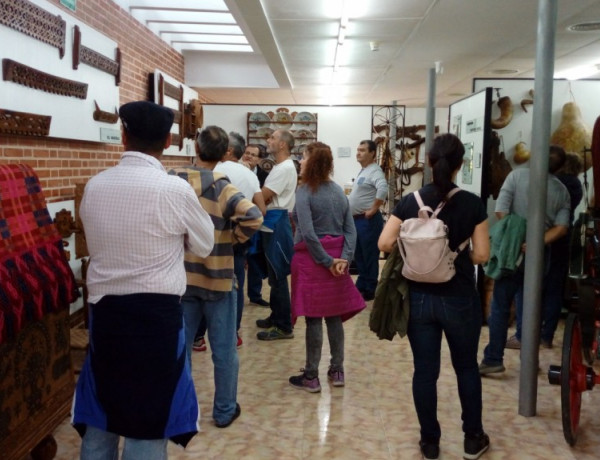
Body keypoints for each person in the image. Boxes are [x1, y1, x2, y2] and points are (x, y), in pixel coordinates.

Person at [73, 101, 215, 459]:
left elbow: (94, 238)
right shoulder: (173, 190)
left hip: (106, 314)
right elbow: (205, 243)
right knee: (150, 415)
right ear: (168, 140)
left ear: (123, 136)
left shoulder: (96, 186)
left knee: (102, 409)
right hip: (157, 317)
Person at [378, 133, 490, 460]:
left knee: (425, 371)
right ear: (460, 164)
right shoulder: (472, 203)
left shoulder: (410, 201)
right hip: (459, 298)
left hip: (419, 299)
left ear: (428, 161)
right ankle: (472, 438)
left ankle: (430, 442)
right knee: (466, 367)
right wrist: (458, 254)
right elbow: (482, 255)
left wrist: (414, 252)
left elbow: (384, 243)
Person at [170, 125, 263, 429]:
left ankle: (180, 410)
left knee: (180, 350)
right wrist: (231, 239)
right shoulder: (223, 187)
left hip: (181, 279)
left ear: (196, 149)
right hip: (219, 279)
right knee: (223, 352)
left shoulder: (173, 180)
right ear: (224, 154)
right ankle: (223, 411)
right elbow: (253, 216)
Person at [480, 145, 570, 372]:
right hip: (540, 253)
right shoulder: (562, 190)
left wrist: (517, 238)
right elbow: (560, 228)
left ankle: (493, 359)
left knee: (500, 305)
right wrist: (536, 242)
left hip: (512, 251)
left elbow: (501, 211)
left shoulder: (516, 176)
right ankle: (530, 361)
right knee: (531, 305)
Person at [288, 142, 365, 392]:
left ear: (312, 161)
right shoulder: (338, 192)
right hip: (337, 262)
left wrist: (327, 261)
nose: (300, 160)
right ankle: (337, 369)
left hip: (313, 261)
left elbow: (308, 234)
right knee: (334, 316)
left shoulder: (304, 192)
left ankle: (311, 376)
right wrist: (343, 260)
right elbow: (350, 229)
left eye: (303, 156)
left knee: (313, 318)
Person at [215, 131, 266, 348]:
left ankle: (199, 336)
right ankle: (233, 332)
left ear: (227, 150)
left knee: (206, 284)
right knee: (236, 283)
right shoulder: (250, 175)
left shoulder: (214, 170)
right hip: (238, 235)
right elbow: (260, 209)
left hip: (213, 234)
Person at [255, 129, 298, 340]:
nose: (268, 140)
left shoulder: (285, 168)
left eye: (272, 138)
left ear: (282, 144)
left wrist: (255, 195)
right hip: (272, 220)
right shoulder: (280, 167)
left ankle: (284, 326)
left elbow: (264, 195)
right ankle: (276, 314)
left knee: (278, 274)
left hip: (277, 222)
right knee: (273, 276)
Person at [348, 139, 388, 301]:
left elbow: (383, 188)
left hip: (368, 222)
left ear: (372, 153)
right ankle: (362, 284)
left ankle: (370, 288)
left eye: (363, 150)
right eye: (358, 149)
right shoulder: (364, 171)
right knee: (360, 255)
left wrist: (373, 209)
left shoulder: (375, 171)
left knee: (369, 255)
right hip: (357, 221)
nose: (358, 152)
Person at [243, 143, 271, 307]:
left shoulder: (264, 176)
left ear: (260, 159)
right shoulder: (235, 171)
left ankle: (255, 294)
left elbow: (265, 199)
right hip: (237, 219)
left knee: (254, 258)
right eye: (247, 153)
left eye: (253, 155)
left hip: (255, 219)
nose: (248, 156)